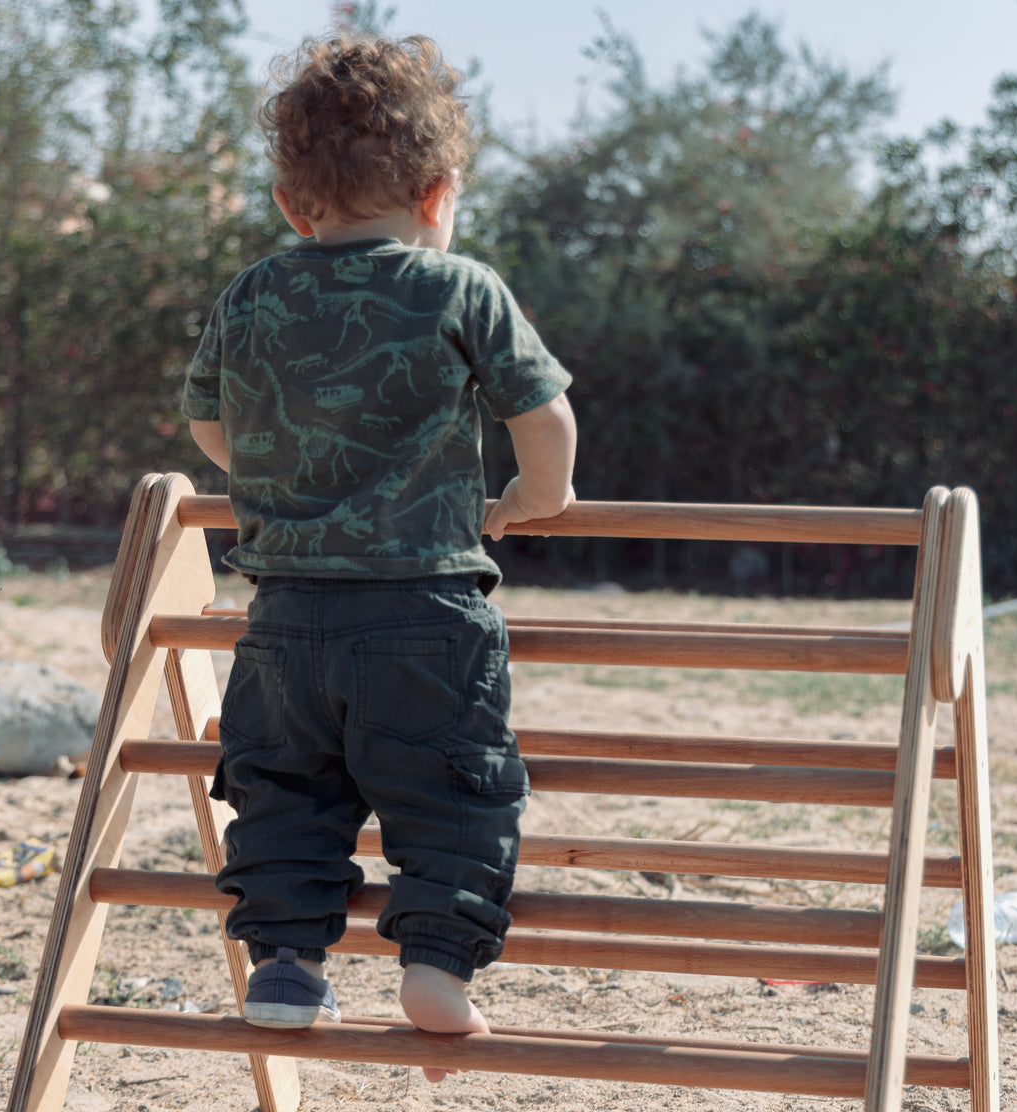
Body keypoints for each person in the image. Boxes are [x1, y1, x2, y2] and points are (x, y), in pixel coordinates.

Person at [180, 34, 576, 1081]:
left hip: (284, 620)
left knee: (281, 788)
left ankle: (284, 963)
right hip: (425, 613)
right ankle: (437, 966)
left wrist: (287, 467)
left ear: (288, 201)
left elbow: (212, 431)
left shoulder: (253, 294)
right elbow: (545, 417)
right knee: (455, 790)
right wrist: (537, 497)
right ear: (439, 191)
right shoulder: (459, 289)